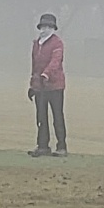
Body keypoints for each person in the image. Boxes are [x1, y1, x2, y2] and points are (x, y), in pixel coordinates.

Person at [27, 13, 67, 157]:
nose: (45, 29)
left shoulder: (57, 43)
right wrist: (33, 84)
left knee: (57, 116)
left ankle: (61, 146)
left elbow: (55, 61)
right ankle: (42, 145)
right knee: (41, 117)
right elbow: (34, 66)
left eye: (48, 26)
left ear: (53, 28)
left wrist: (46, 74)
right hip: (40, 87)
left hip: (55, 86)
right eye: (43, 26)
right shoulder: (37, 43)